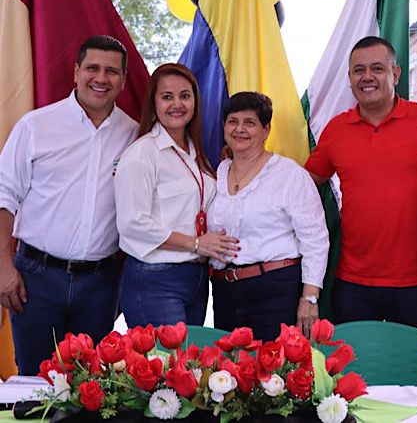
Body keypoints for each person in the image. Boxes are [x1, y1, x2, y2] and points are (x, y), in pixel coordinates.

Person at [0, 35, 137, 374]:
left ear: (123, 80)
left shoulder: (134, 135)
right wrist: (3, 267)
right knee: (35, 382)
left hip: (100, 284)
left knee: (89, 386)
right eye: (92, 68)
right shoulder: (36, 126)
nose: (101, 78)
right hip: (35, 279)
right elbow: (5, 196)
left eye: (111, 71)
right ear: (76, 72)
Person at [305, 36, 417, 331]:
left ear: (395, 74)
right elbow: (302, 186)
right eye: (358, 70)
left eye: (377, 68)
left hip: (414, 280)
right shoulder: (337, 129)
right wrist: (249, 160)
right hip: (353, 280)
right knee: (352, 361)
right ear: (349, 79)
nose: (367, 77)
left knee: (410, 359)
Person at [115, 63, 238, 328]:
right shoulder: (142, 154)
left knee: (190, 355)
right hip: (155, 279)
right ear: (154, 103)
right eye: (167, 97)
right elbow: (132, 223)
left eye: (185, 96)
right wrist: (196, 243)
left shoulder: (197, 153)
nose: (177, 104)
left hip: (196, 279)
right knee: (167, 356)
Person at [209, 92, 328, 341]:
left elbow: (315, 239)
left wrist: (310, 297)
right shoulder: (218, 173)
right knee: (228, 366)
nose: (240, 129)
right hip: (224, 292)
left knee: (273, 366)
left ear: (266, 130)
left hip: (275, 292)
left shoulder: (289, 175)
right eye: (233, 121)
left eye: (250, 122)